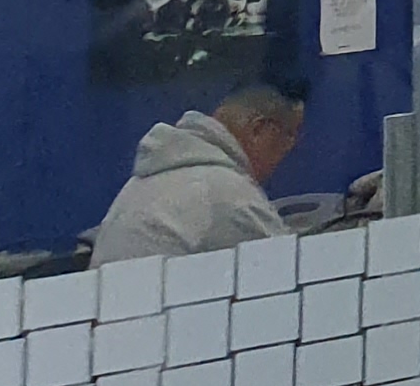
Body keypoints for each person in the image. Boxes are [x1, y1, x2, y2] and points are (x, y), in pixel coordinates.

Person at [92, 82, 305, 262]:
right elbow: (284, 269)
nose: (291, 147)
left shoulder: (135, 189)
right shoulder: (228, 194)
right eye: (288, 135)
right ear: (258, 129)